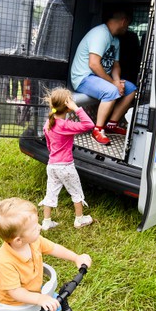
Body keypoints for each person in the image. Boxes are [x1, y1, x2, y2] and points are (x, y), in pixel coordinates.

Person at [69, 9, 137, 145]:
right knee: (111, 91)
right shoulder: (100, 34)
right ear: (123, 22)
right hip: (83, 78)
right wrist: (113, 83)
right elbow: (94, 64)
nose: (127, 28)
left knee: (131, 89)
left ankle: (112, 124)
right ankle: (97, 130)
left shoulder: (115, 40)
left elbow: (115, 65)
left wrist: (117, 81)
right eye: (128, 24)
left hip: (99, 78)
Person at [38, 88, 94, 230]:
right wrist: (77, 108)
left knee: (51, 192)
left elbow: (49, 145)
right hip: (66, 166)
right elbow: (89, 124)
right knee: (76, 192)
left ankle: (46, 222)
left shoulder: (48, 123)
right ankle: (79, 220)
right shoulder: (65, 125)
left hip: (52, 165)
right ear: (68, 107)